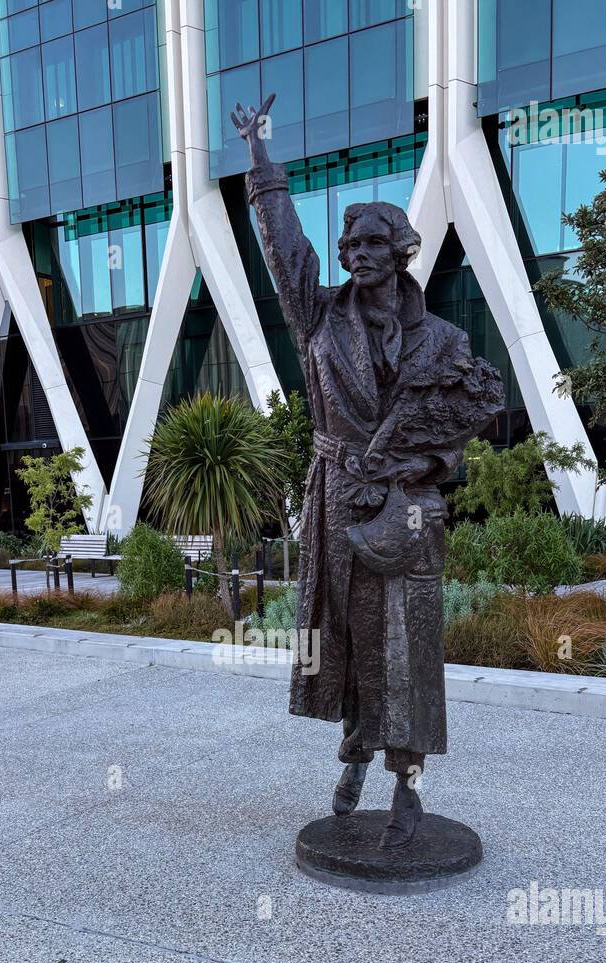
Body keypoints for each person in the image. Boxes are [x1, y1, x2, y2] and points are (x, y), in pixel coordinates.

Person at [233, 96, 504, 850]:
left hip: (407, 505)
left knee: (407, 639)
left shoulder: (444, 339)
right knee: (346, 635)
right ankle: (352, 751)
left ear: (400, 252)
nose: (353, 256)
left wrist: (421, 461)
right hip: (335, 495)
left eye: (368, 246)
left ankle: (407, 781)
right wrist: (260, 159)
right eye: (347, 245)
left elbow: (460, 426)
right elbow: (284, 250)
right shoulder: (318, 317)